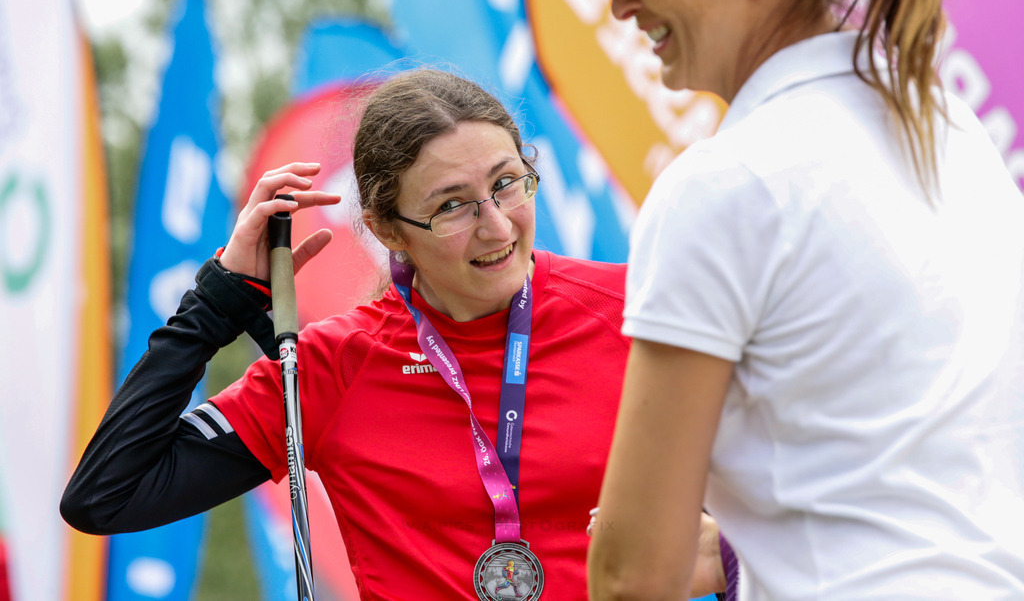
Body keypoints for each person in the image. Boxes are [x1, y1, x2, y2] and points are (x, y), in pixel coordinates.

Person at [61, 68, 732, 600]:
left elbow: (785, 491)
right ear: (386, 228)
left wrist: (728, 556)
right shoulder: (333, 367)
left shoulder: (635, 310)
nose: (497, 226)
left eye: (507, 184)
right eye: (452, 206)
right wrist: (219, 300)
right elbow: (105, 494)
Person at [520, 0, 1024, 599]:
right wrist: (746, 551)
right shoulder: (951, 127)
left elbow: (632, 576)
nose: (619, 3)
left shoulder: (722, 186)